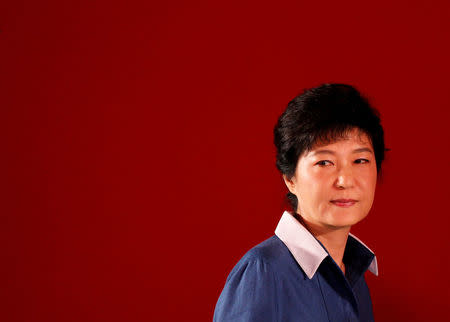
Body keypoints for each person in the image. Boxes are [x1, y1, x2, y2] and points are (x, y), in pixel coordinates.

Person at [213, 84, 385, 322]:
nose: (345, 180)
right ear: (290, 178)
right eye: (324, 162)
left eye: (360, 160)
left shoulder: (354, 275)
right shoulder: (262, 273)